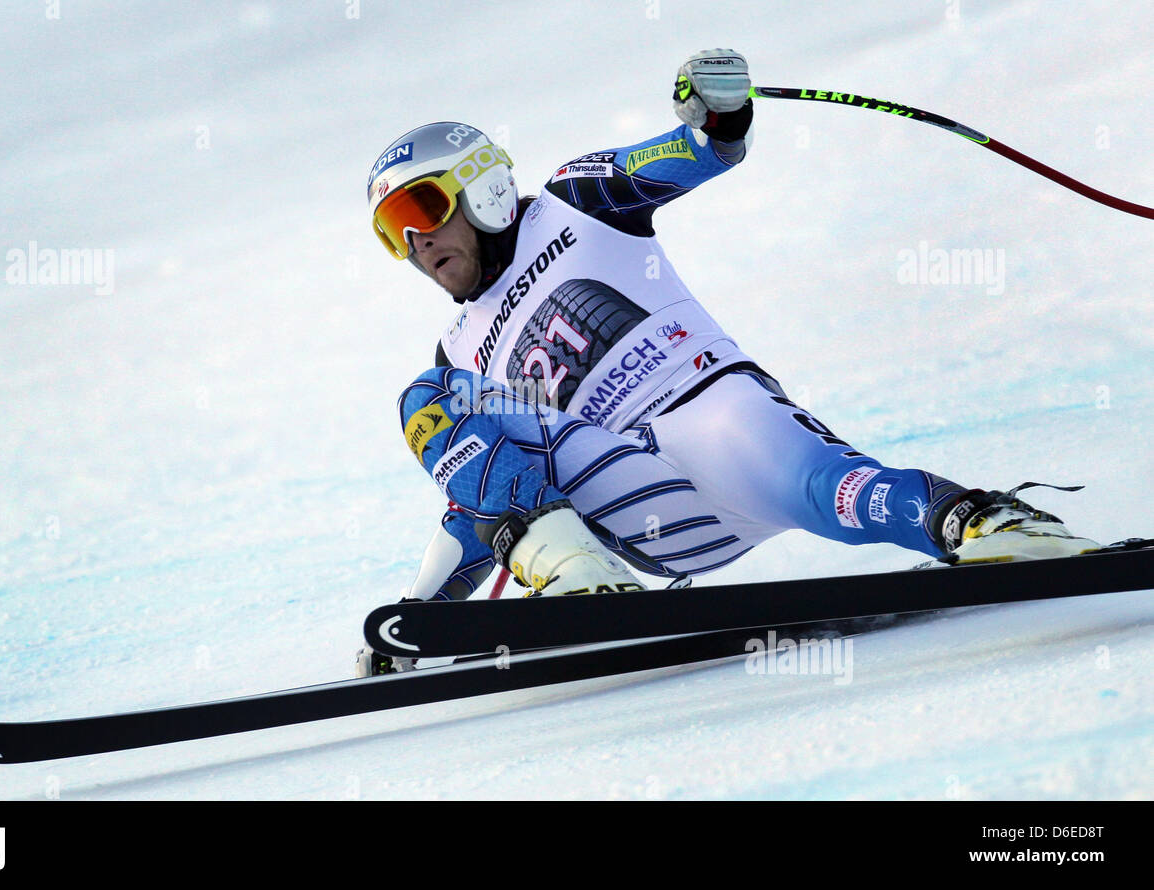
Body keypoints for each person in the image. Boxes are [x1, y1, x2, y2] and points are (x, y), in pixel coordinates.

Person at [357, 49, 1098, 675]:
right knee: (430, 401)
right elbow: (481, 495)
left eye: (422, 209)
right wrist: (422, 619)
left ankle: (988, 527)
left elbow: (697, 152)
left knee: (831, 487)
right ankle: (578, 578)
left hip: (711, 414)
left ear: (481, 185)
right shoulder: (457, 356)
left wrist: (719, 116)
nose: (416, 243)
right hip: (637, 505)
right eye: (394, 232)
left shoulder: (576, 201)